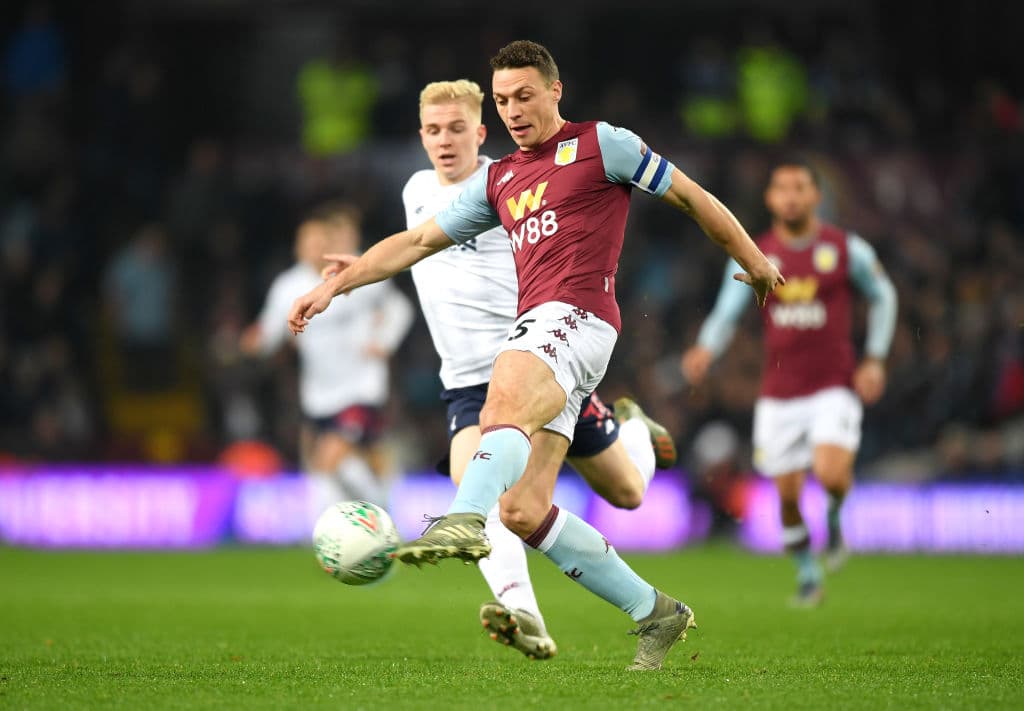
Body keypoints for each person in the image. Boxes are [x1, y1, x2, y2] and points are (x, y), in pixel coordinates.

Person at [289, 40, 782, 670]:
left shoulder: (605, 144)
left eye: (525, 95)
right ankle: (654, 611)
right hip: (542, 334)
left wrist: (756, 262)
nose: (515, 110)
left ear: (555, 91)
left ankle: (463, 518)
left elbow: (691, 197)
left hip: (578, 316)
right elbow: (415, 242)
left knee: (505, 397)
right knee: (524, 510)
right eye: (503, 100)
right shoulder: (500, 180)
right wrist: (336, 283)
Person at [357, 78, 676, 660]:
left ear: (481, 132)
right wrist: (354, 271)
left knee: (627, 491)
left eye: (457, 129)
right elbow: (415, 246)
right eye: (433, 130)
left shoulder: (509, 183)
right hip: (468, 382)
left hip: (541, 363)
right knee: (492, 490)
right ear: (420, 136)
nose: (445, 141)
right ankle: (525, 616)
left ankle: (637, 432)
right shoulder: (416, 190)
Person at [681, 159, 897, 605]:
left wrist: (874, 358)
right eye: (782, 189)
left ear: (816, 196)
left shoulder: (843, 248)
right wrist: (705, 348)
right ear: (770, 199)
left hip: (834, 386)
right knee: (788, 497)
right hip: (779, 394)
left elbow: (884, 295)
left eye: (800, 188)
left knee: (832, 474)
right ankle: (807, 575)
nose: (792, 196)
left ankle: (835, 519)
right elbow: (726, 310)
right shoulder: (755, 254)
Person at [242, 204, 413, 504]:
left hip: (361, 386)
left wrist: (384, 340)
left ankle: (350, 526)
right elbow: (270, 332)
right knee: (342, 464)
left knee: (329, 459)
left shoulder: (354, 273)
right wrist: (253, 342)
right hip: (318, 394)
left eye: (319, 239)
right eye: (306, 240)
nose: (313, 245)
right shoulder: (287, 286)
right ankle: (378, 509)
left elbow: (399, 307)